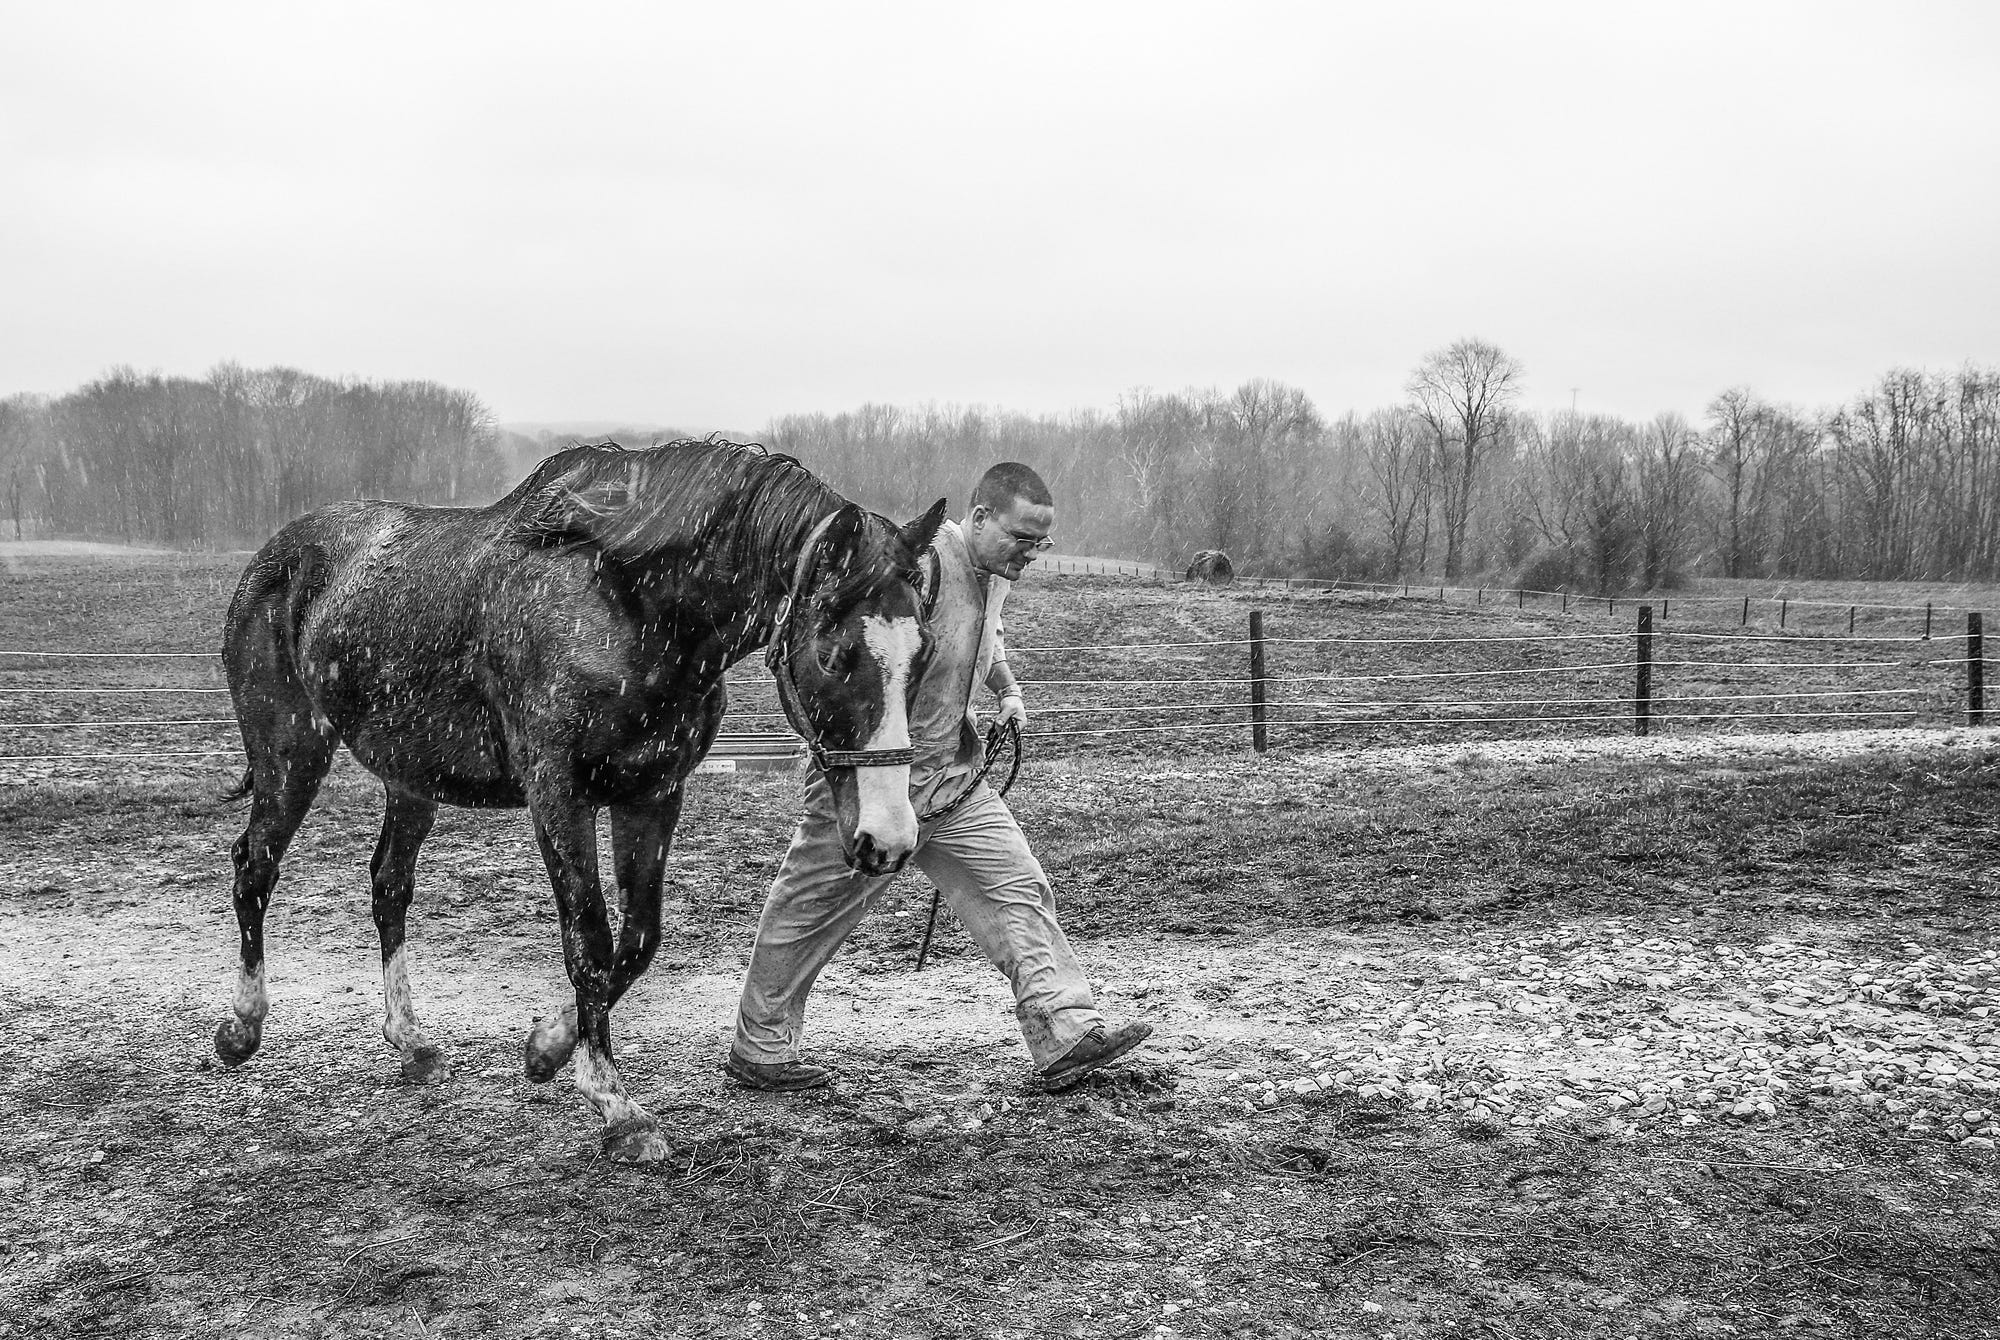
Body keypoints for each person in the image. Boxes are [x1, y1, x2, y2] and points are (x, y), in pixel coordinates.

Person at [725, 462, 1152, 1093]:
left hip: (953, 777)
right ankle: (760, 1048)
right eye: (1023, 539)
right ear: (979, 519)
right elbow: (844, 652)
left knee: (1017, 887)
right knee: (809, 910)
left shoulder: (994, 573)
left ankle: (1064, 1028)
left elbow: (989, 638)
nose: (1034, 553)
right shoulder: (914, 568)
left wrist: (1005, 689)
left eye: (1043, 542)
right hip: (874, 781)